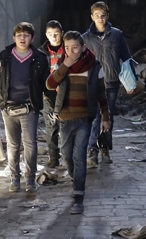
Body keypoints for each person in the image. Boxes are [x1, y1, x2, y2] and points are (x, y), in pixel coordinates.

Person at [46, 31, 110, 215]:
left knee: (79, 156)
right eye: (67, 48)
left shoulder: (94, 66)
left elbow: (101, 94)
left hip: (85, 118)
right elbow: (50, 84)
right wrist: (64, 66)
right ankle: (76, 180)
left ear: (83, 48)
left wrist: (105, 117)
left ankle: (78, 197)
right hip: (65, 118)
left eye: (75, 47)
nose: (71, 52)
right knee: (67, 156)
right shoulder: (62, 64)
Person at [0, 22, 51, 193]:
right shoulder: (5, 57)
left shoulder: (39, 58)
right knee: (12, 145)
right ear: (14, 38)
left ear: (32, 38)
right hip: (8, 107)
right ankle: (15, 179)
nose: (23, 38)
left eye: (26, 35)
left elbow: (47, 85)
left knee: (30, 143)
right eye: (19, 35)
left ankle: (29, 179)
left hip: (29, 107)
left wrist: (55, 107)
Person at [82, 1, 131, 166]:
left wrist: (131, 82)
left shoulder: (116, 35)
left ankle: (105, 148)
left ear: (107, 16)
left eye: (103, 15)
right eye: (97, 16)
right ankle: (92, 151)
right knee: (93, 117)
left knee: (107, 117)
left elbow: (126, 57)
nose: (100, 19)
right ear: (92, 17)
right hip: (93, 84)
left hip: (111, 82)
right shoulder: (85, 38)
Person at [40, 20, 66, 168]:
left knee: (67, 125)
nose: (54, 37)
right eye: (50, 34)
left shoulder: (68, 49)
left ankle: (69, 156)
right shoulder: (42, 52)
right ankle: (54, 158)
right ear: (46, 35)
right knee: (51, 126)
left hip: (66, 92)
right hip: (49, 93)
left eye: (56, 34)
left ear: (61, 34)